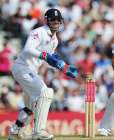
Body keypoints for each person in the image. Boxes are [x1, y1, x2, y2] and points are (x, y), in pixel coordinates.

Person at [8, 8, 78, 140]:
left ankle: (14, 132)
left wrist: (63, 67)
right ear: (47, 21)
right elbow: (29, 49)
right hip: (22, 67)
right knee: (46, 93)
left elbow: (48, 60)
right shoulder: (39, 32)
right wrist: (44, 55)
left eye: (58, 21)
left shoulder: (55, 40)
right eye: (53, 20)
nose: (56, 23)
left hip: (31, 71)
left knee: (30, 107)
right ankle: (39, 131)